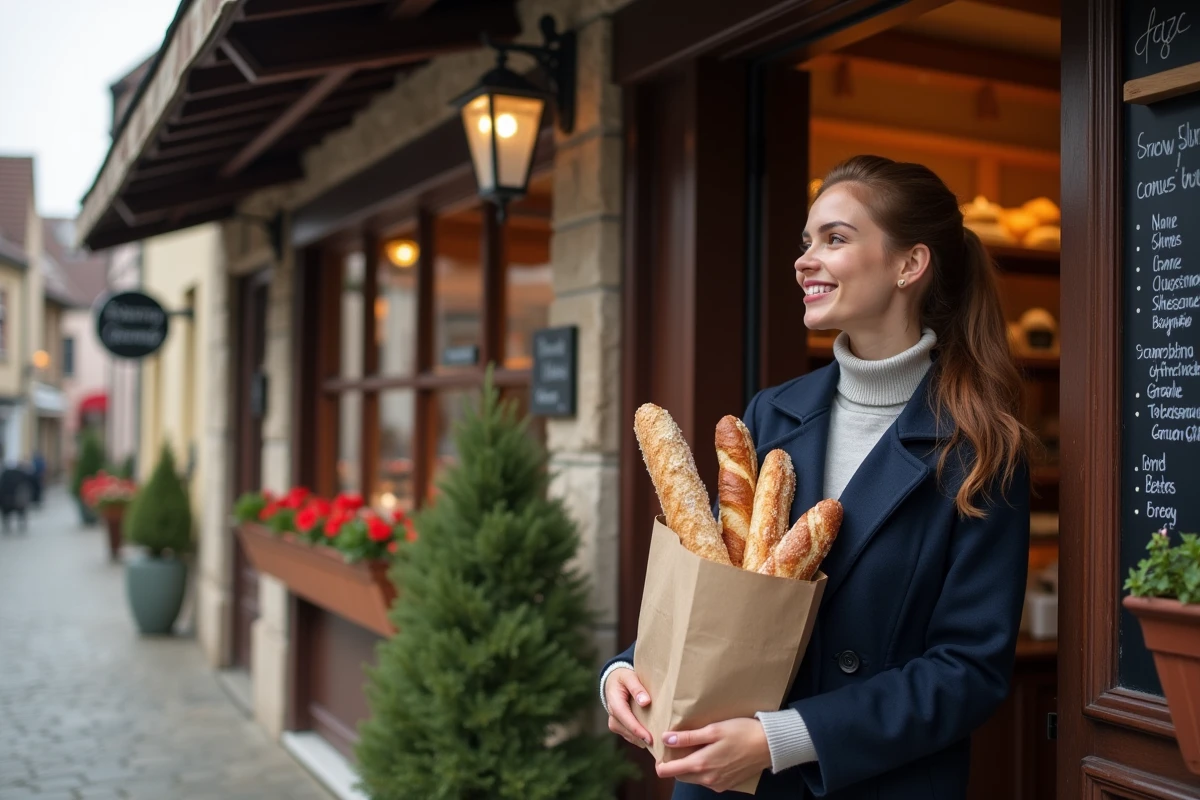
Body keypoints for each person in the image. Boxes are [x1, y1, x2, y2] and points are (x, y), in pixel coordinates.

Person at [600, 155, 1034, 799]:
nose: (805, 259)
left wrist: (786, 738)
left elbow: (968, 671)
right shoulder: (771, 412)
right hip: (723, 782)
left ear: (909, 265)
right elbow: (723, 585)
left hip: (870, 780)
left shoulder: (982, 448)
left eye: (835, 239)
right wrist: (627, 669)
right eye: (806, 241)